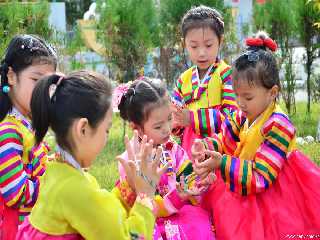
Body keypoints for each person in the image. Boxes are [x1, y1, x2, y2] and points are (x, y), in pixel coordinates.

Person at [192, 31, 320, 239]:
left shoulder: (278, 125)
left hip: (272, 191)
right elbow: (225, 140)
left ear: (272, 93)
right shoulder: (243, 113)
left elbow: (261, 177)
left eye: (248, 97)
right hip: (242, 177)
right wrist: (207, 147)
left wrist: (222, 163)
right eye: (237, 95)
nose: (240, 102)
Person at [16, 71, 165, 240]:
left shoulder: (57, 170)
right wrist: (145, 196)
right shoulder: (74, 190)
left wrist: (129, 187)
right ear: (83, 129)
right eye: (107, 130)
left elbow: (101, 213)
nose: (107, 139)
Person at [117, 78, 215, 240]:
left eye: (169, 119)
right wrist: (177, 197)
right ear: (136, 127)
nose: (167, 129)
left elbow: (187, 178)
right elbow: (141, 205)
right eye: (158, 126)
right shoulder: (131, 161)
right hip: (150, 218)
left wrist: (200, 179)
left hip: (179, 210)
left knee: (200, 226)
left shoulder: (172, 149)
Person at [0, 34, 57, 240]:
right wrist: (56, 184)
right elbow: (15, 192)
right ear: (11, 76)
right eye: (36, 80)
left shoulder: (27, 128)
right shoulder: (7, 132)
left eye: (48, 83)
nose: (43, 90)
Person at [172, 5, 237, 158]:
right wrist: (175, 121)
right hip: (190, 150)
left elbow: (232, 118)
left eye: (208, 45)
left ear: (220, 41)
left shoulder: (228, 75)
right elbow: (175, 119)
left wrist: (192, 118)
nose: (201, 53)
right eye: (193, 46)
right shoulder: (183, 80)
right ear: (184, 44)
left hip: (220, 148)